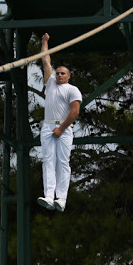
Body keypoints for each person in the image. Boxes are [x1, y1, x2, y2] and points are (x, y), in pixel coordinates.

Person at [37, 33, 82, 212]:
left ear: (68, 76)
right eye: (57, 73)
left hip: (64, 128)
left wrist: (61, 129)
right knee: (48, 160)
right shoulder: (50, 84)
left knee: (62, 162)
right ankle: (49, 195)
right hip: (48, 125)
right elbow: (45, 60)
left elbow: (75, 112)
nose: (59, 75)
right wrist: (45, 42)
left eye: (62, 73)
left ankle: (61, 198)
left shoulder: (72, 89)